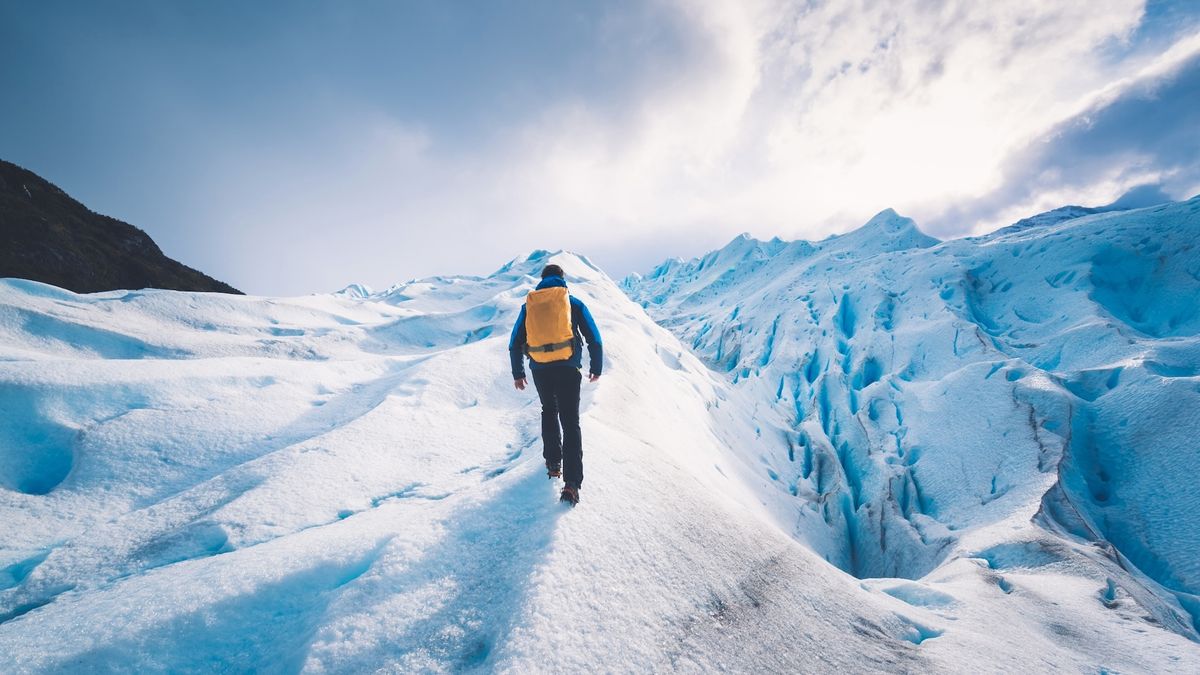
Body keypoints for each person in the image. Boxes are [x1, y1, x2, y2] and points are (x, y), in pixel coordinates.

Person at [508, 263, 603, 506]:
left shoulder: (529, 305)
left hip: (540, 369)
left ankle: (553, 464)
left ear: (542, 279)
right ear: (562, 279)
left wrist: (518, 373)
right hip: (568, 368)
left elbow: (515, 342)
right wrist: (596, 367)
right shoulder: (572, 302)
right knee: (571, 422)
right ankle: (571, 484)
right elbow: (594, 336)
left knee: (548, 411)